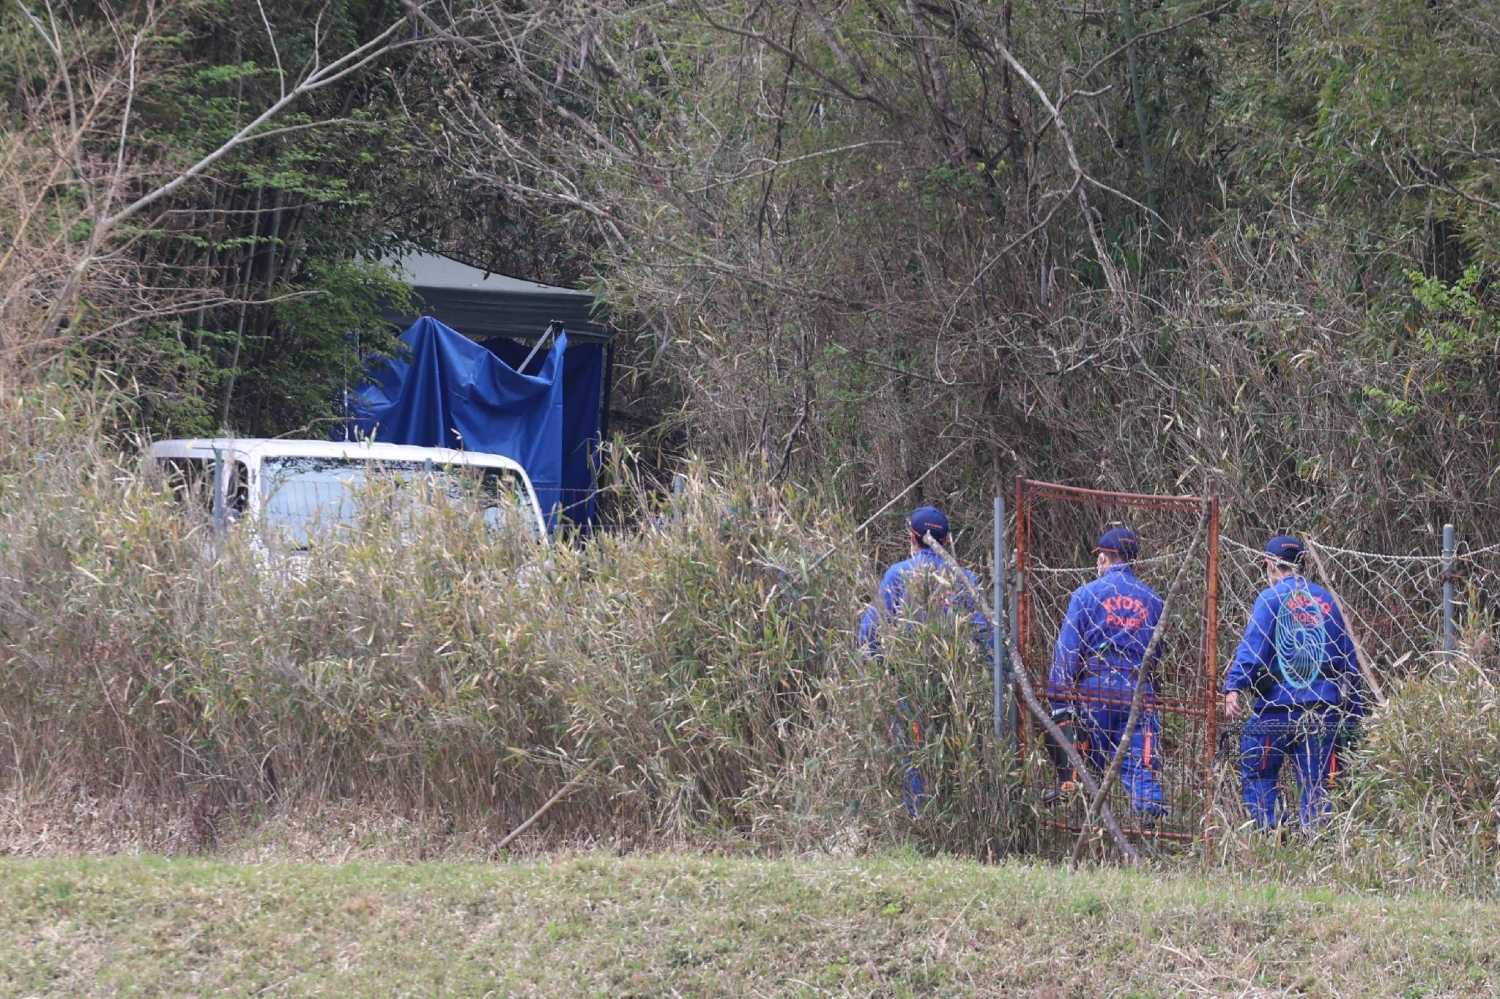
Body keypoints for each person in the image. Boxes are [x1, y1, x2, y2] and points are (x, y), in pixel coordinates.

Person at [858, 505, 992, 816]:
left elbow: (869, 634)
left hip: (910, 686)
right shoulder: (965, 578)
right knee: (959, 755)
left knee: (914, 756)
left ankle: (921, 821)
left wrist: (881, 669)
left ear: (912, 538)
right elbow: (984, 636)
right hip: (959, 688)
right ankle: (959, 822)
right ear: (945, 542)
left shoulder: (898, 574)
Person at [1223, 535, 1364, 829]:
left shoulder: (1270, 598)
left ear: (1272, 565)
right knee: (1317, 785)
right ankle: (1315, 844)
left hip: (1276, 711)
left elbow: (1253, 646)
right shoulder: (1326, 600)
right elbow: (1348, 660)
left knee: (1257, 771)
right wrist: (1355, 715)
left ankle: (1272, 832)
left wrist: (1234, 686)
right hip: (1322, 711)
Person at [1046, 527, 1167, 817]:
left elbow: (1067, 651)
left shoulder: (1085, 595)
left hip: (1096, 687)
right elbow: (1157, 653)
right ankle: (1152, 825)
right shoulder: (1154, 600)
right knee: (1139, 765)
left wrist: (1059, 703)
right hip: (1138, 691)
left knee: (1085, 763)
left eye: (1099, 557)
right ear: (1133, 561)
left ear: (1104, 558)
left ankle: (1086, 829)